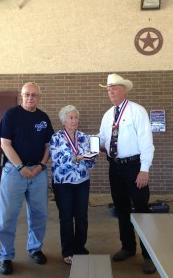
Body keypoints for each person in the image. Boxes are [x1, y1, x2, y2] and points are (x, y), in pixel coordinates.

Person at [98, 73, 156, 274]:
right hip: (115, 167)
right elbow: (103, 140)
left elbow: (146, 143)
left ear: (124, 89)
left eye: (114, 87)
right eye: (108, 88)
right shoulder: (107, 115)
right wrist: (86, 145)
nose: (110, 91)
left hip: (134, 167)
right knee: (122, 208)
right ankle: (128, 247)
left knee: (141, 209)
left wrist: (144, 170)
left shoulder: (137, 111)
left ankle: (149, 255)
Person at [0, 82, 54, 275]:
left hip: (38, 173)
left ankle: (35, 248)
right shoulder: (11, 115)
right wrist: (21, 167)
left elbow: (48, 146)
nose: (30, 98)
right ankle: (6, 255)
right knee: (8, 216)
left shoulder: (43, 118)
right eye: (27, 94)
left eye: (34, 95)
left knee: (39, 214)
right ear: (22, 95)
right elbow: (5, 144)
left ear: (40, 96)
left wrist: (41, 166)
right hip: (14, 173)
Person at [49, 105, 97, 265]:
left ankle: (80, 249)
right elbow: (57, 160)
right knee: (66, 218)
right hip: (63, 183)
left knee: (82, 217)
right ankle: (68, 251)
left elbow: (92, 162)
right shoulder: (56, 138)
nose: (74, 120)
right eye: (71, 117)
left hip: (82, 182)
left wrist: (90, 157)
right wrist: (77, 158)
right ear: (63, 120)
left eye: (76, 117)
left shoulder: (84, 137)